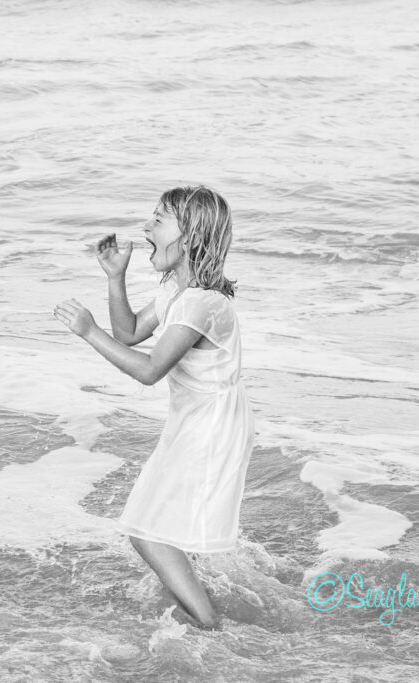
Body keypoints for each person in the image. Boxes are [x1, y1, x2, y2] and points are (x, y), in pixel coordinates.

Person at [53, 186, 254, 629]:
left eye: (159, 220)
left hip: (214, 424)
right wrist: (113, 278)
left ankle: (209, 625)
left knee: (148, 530)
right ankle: (194, 602)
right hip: (196, 418)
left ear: (191, 239)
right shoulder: (175, 292)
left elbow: (149, 370)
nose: (146, 226)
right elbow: (127, 334)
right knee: (157, 520)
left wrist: (88, 331)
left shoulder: (202, 304)